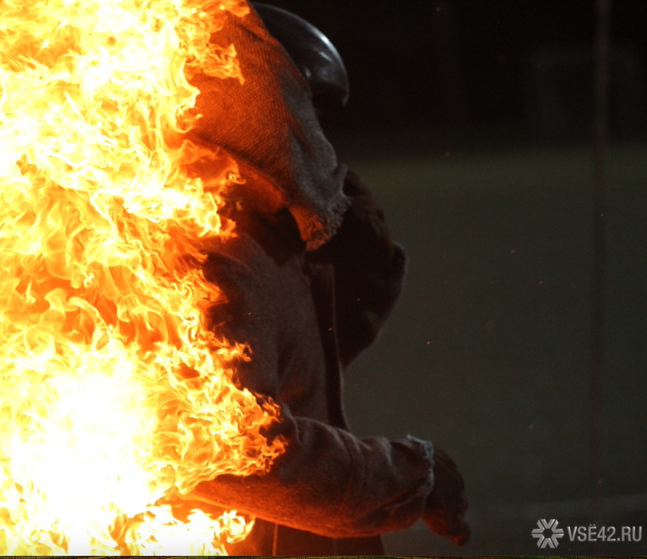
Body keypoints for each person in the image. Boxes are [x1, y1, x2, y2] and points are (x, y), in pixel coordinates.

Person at [185, 3, 471, 554]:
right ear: (262, 105)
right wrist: (410, 477)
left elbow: (337, 333)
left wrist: (348, 218)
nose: (316, 139)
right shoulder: (214, 257)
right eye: (308, 117)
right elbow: (225, 448)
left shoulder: (267, 237)